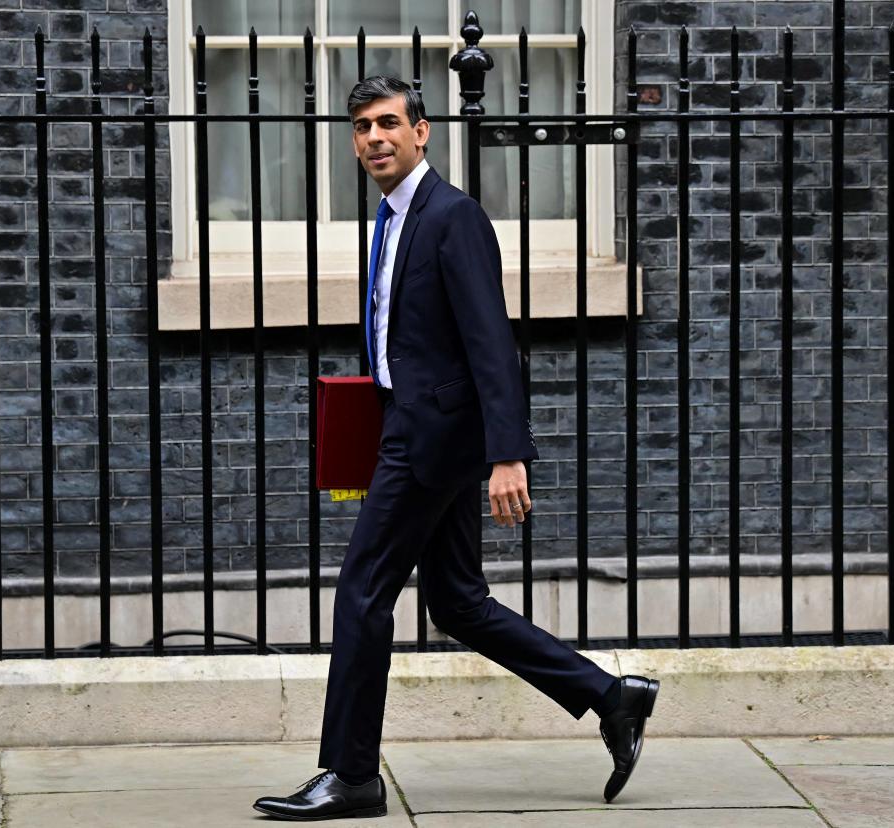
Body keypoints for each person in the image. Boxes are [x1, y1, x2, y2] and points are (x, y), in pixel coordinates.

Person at [253, 76, 660, 821]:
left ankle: (351, 775)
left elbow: (491, 343)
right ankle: (612, 696)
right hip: (407, 426)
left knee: (363, 591)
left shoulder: (452, 216)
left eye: (387, 124)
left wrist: (509, 454)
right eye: (361, 128)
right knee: (459, 602)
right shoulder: (391, 217)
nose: (373, 139)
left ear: (422, 132)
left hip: (431, 442)